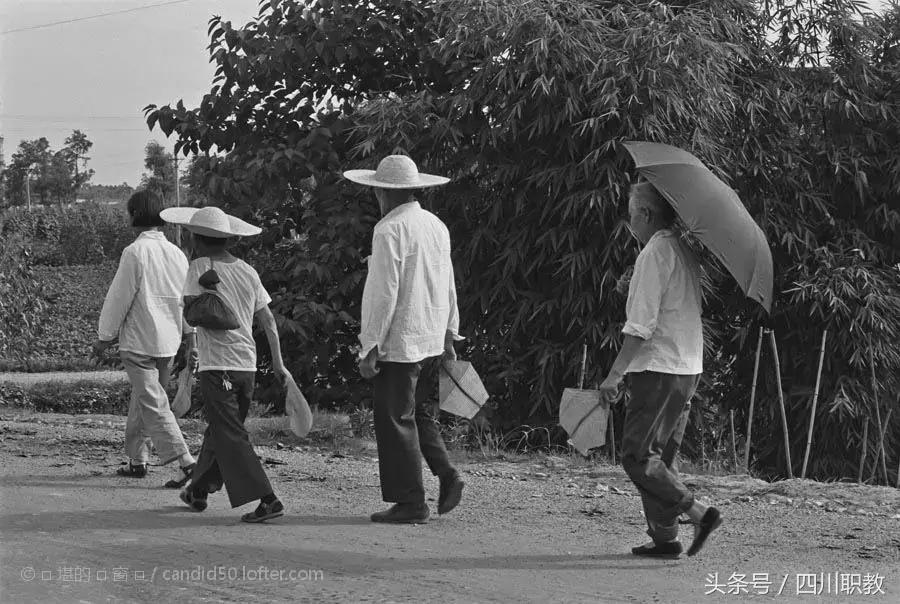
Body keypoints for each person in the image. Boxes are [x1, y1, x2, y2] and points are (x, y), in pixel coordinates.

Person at [597, 180, 721, 558]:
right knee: (661, 455)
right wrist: (631, 287)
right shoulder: (682, 249)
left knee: (637, 456)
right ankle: (664, 538)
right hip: (686, 364)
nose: (629, 218)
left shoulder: (653, 253)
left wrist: (614, 375)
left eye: (632, 212)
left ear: (646, 214)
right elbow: (670, 303)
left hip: (658, 366)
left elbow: (640, 326)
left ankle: (699, 513)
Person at [344, 155, 465, 524]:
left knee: (395, 418)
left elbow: (383, 293)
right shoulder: (436, 225)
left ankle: (411, 501)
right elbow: (448, 283)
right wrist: (449, 331)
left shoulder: (388, 229)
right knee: (420, 414)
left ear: (382, 191)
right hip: (429, 335)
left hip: (401, 339)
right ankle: (446, 473)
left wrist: (370, 345)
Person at [160, 206, 291, 523]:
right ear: (229, 238)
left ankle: (268, 498)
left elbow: (190, 313)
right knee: (222, 430)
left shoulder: (198, 266)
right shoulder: (248, 271)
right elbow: (268, 321)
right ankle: (198, 490)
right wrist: (278, 362)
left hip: (218, 367)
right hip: (247, 367)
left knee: (230, 433)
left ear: (196, 237)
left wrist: (189, 349)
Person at [93, 189, 196, 488]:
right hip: (168, 342)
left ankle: (186, 460)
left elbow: (119, 298)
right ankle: (138, 460)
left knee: (152, 403)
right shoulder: (177, 253)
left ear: (135, 215)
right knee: (145, 398)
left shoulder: (135, 252)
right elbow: (186, 299)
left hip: (139, 341)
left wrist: (104, 337)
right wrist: (191, 337)